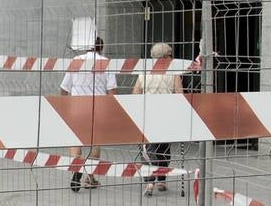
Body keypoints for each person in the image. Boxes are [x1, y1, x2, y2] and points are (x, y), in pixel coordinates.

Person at [59, 36, 118, 191]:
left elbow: (64, 88)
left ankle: (76, 167)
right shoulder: (105, 62)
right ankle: (90, 177)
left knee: (75, 139)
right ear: (101, 48)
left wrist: (63, 105)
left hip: (77, 105)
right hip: (98, 106)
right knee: (95, 141)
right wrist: (113, 110)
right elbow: (112, 90)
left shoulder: (76, 60)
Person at [132, 42, 184, 197]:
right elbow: (180, 92)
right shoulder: (173, 72)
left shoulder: (145, 72)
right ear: (166, 56)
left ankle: (149, 181)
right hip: (166, 115)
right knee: (163, 148)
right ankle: (161, 179)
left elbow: (135, 93)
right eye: (171, 55)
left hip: (147, 115)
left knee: (148, 148)